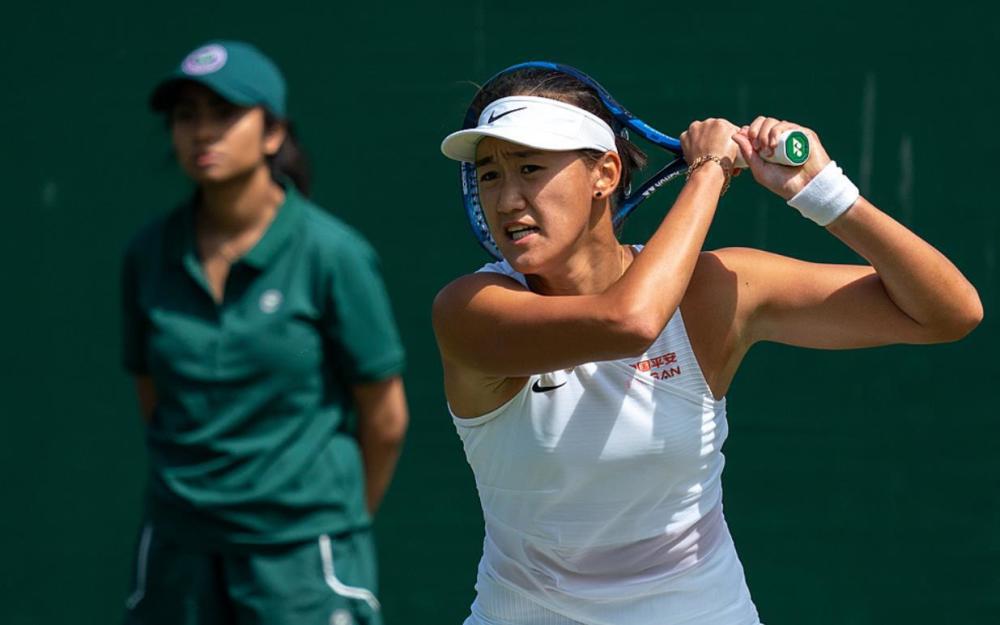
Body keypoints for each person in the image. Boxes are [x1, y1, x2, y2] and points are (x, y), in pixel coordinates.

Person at [433, 66, 982, 625]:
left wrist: (824, 192)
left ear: (605, 173)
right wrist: (710, 170)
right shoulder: (469, 310)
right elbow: (631, 322)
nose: (506, 199)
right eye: (490, 175)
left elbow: (948, 313)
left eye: (529, 168)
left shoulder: (712, 293)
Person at [120, 40, 408, 625]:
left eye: (225, 113)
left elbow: (385, 418)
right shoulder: (147, 253)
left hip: (302, 558)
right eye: (186, 116)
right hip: (177, 552)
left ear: (274, 132)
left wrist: (328, 521)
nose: (203, 132)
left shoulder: (334, 254)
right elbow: (153, 397)